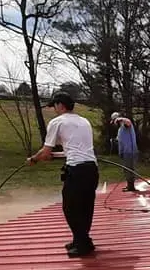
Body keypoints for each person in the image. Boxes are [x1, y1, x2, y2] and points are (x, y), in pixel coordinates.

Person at [26, 92, 98, 257]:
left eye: (54, 106)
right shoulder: (84, 121)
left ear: (60, 105)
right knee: (86, 207)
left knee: (70, 208)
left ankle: (82, 245)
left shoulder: (57, 122)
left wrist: (34, 159)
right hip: (91, 169)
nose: (54, 110)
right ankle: (82, 240)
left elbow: (45, 151)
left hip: (76, 170)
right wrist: (55, 156)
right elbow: (75, 150)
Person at [111, 112, 139, 192]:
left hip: (130, 151)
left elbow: (128, 122)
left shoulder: (126, 125)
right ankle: (129, 185)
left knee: (129, 169)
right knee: (126, 169)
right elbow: (119, 140)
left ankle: (131, 186)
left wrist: (120, 119)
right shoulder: (120, 129)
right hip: (124, 152)